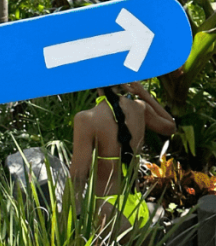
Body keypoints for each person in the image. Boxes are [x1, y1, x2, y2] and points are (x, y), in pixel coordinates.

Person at [70, 81, 176, 209]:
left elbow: (78, 177)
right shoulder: (140, 108)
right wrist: (144, 94)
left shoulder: (86, 119)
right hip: (137, 207)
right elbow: (171, 127)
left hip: (106, 210)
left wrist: (68, 216)